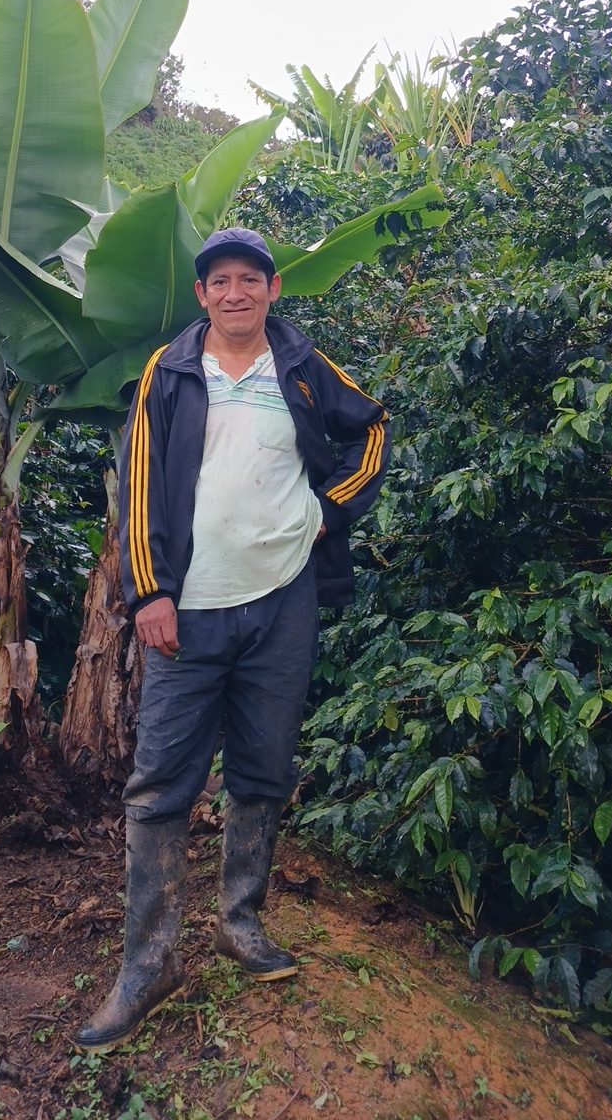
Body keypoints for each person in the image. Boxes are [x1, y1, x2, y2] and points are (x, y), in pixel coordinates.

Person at [76, 226, 391, 1053]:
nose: (235, 292)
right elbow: (139, 484)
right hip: (189, 611)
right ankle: (147, 964)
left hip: (283, 601)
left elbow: (373, 430)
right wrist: (150, 592)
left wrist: (329, 510)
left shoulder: (303, 364)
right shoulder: (172, 369)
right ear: (203, 294)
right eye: (220, 281)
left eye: (250, 279)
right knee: (159, 783)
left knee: (263, 768)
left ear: (273, 289)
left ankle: (240, 924)